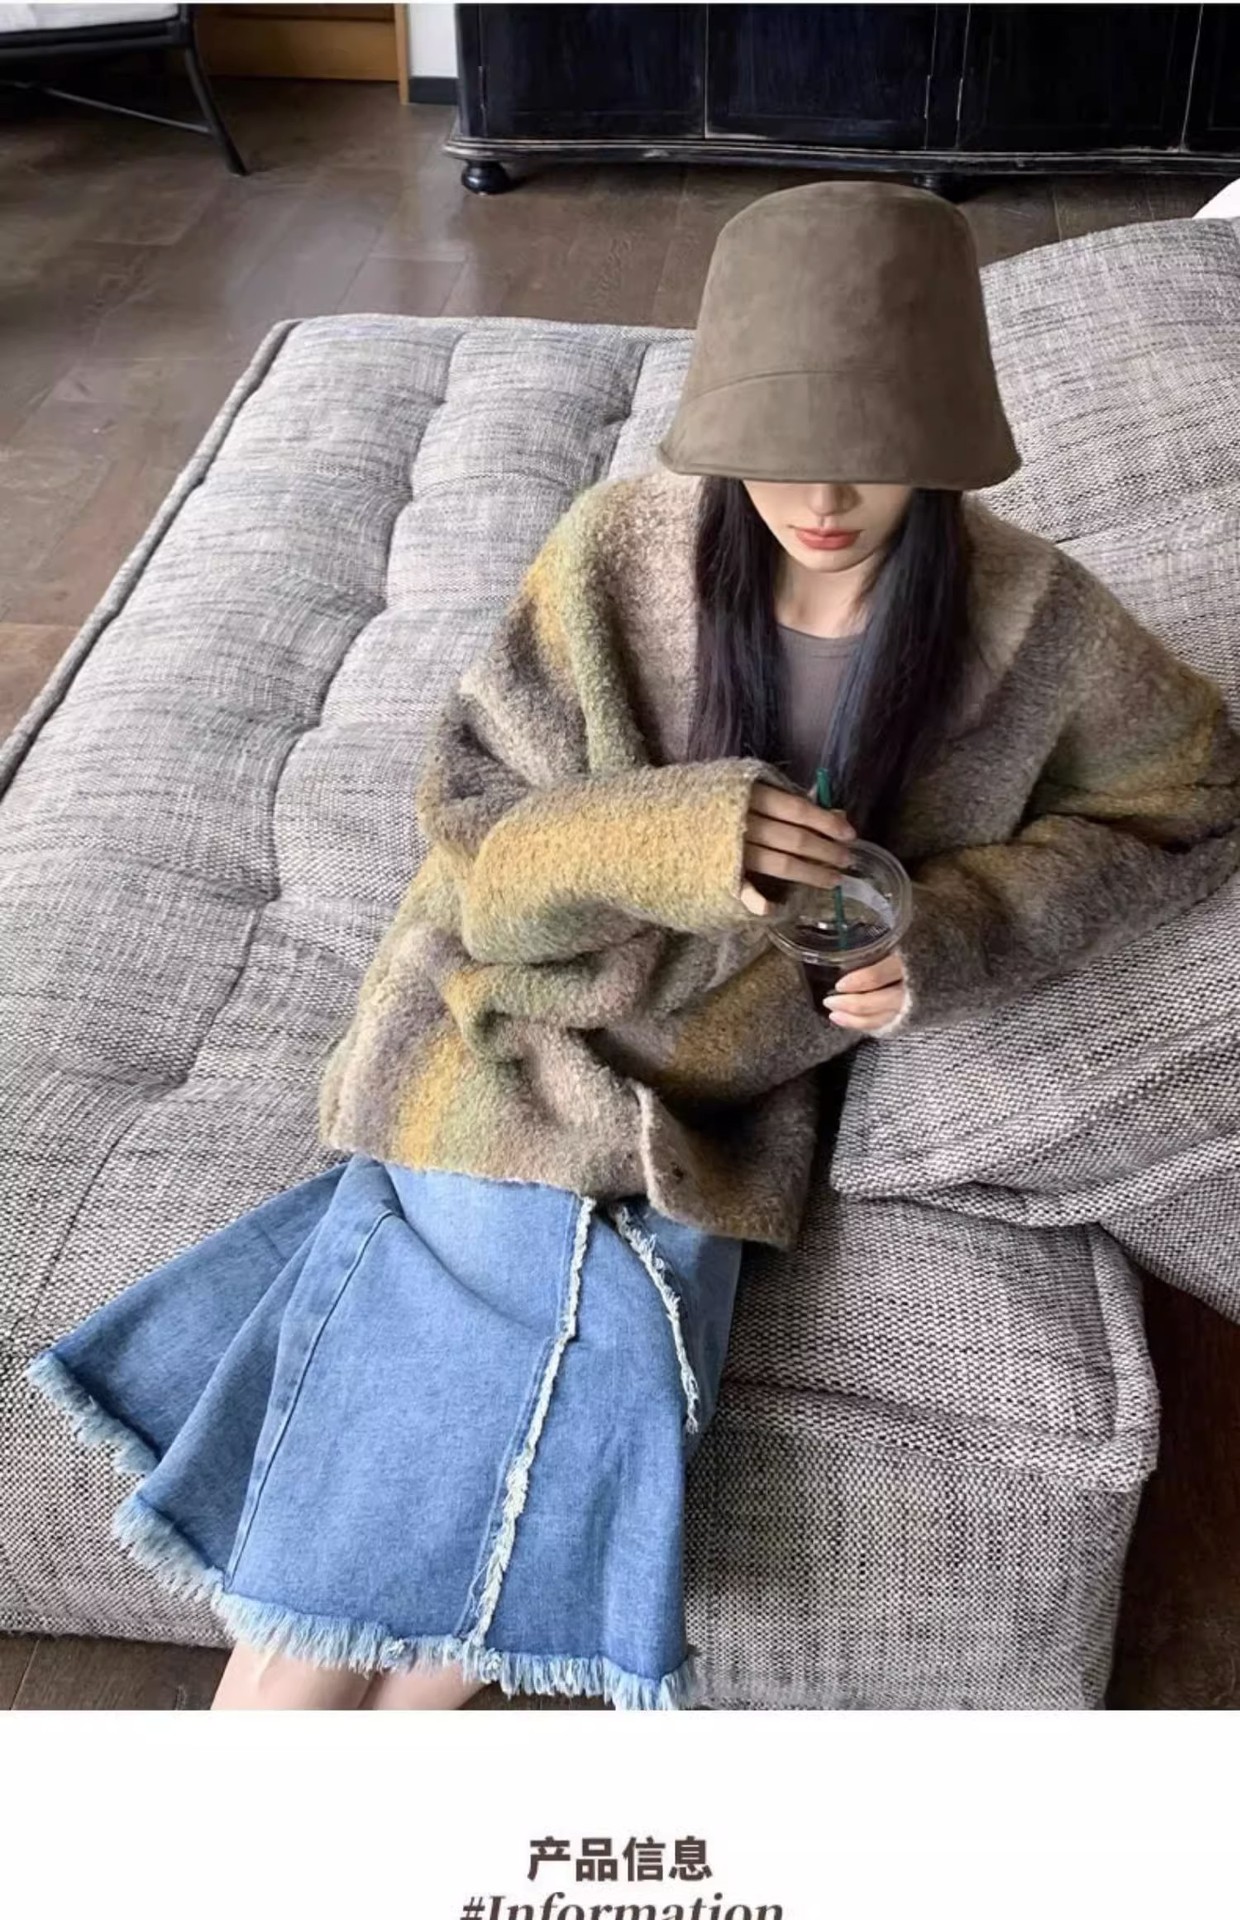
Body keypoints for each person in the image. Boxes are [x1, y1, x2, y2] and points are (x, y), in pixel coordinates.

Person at [27, 183, 1240, 1712]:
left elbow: (1190, 785)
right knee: (424, 1477)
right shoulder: (620, 552)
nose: (823, 494)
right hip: (507, 1038)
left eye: (872, 447)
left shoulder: (1031, 619)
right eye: (780, 439)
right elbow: (475, 850)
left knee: (552, 1436)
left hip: (714, 1117)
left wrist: (961, 927)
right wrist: (683, 835)